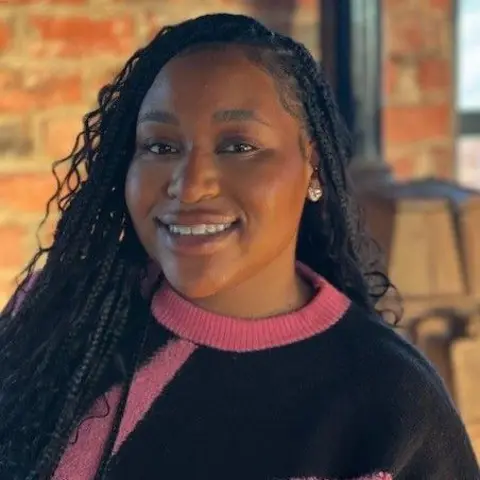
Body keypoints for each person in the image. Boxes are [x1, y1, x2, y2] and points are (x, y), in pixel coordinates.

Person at [0, 12, 478, 480]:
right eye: (161, 147)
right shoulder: (57, 317)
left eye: (238, 147)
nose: (189, 188)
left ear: (312, 164)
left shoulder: (392, 405)